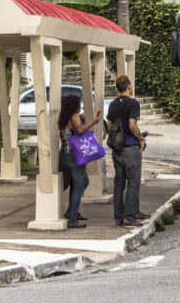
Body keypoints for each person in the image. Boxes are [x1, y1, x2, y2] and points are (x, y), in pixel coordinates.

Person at [107, 74, 147, 227]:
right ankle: (129, 217)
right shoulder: (133, 104)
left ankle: (118, 217)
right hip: (130, 147)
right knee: (133, 182)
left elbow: (110, 127)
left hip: (117, 149)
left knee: (119, 183)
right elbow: (132, 125)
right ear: (129, 86)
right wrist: (141, 138)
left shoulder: (113, 104)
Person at [59, 94, 101, 229]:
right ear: (74, 106)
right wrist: (93, 122)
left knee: (80, 182)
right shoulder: (74, 117)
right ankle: (72, 219)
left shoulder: (64, 117)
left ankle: (72, 212)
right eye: (79, 104)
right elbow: (79, 130)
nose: (81, 106)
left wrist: (82, 119)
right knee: (79, 185)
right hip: (75, 154)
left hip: (65, 154)